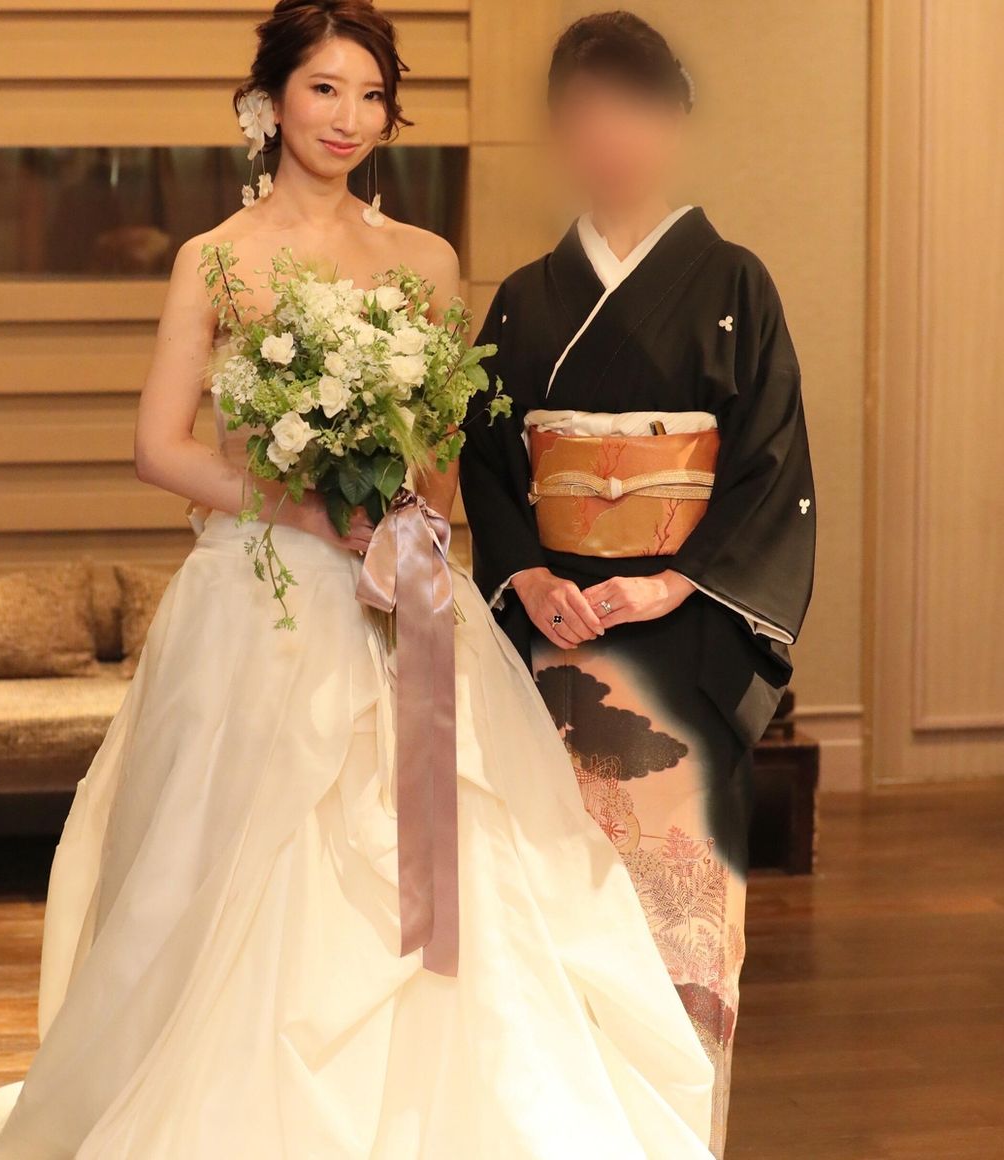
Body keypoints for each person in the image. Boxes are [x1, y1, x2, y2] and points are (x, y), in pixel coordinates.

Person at [0, 3, 715, 1156]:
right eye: (323, 89)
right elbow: (158, 446)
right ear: (268, 101)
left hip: (403, 588)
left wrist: (414, 534)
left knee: (451, 850)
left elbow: (443, 446)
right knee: (244, 860)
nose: (348, 117)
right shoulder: (215, 258)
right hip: (260, 599)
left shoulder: (425, 259)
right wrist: (305, 507)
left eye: (370, 95)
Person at [460, 11, 816, 1156]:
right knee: (549, 909)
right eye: (586, 115)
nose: (610, 138)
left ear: (671, 121)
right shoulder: (522, 297)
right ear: (560, 130)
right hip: (553, 635)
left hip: (682, 643)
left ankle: (676, 1133)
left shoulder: (734, 282)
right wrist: (523, 570)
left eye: (633, 112)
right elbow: (487, 460)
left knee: (677, 914)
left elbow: (768, 467)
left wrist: (676, 582)